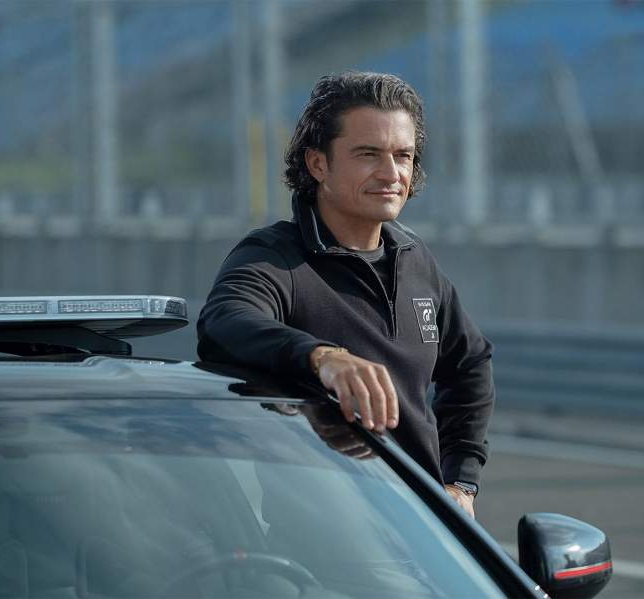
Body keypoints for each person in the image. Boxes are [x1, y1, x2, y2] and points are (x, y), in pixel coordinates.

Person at [197, 71, 493, 517]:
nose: (391, 174)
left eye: (403, 155)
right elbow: (224, 322)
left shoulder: (416, 260)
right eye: (368, 154)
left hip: (424, 534)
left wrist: (461, 482)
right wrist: (324, 358)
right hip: (325, 542)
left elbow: (471, 364)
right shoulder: (275, 257)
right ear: (318, 164)